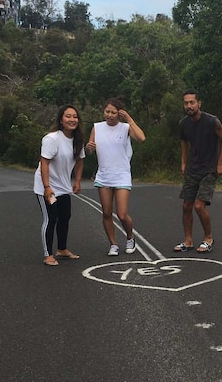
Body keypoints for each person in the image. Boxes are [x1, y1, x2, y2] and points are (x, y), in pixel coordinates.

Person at [86, 97, 146, 256]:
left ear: (119, 113)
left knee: (122, 214)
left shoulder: (125, 127)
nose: (110, 115)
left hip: (121, 175)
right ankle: (113, 244)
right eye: (107, 111)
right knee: (106, 212)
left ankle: (130, 237)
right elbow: (89, 150)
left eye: (113, 112)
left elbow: (141, 138)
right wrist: (88, 148)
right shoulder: (97, 127)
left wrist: (129, 119)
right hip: (104, 175)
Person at [174, 89, 222, 253]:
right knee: (186, 205)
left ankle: (208, 238)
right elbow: (184, 143)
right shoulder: (184, 124)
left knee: (199, 206)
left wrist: (220, 164)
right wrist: (183, 163)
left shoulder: (212, 121)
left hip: (209, 169)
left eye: (192, 102)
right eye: (186, 103)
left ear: (199, 103)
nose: (189, 106)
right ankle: (188, 240)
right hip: (193, 168)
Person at [33, 105, 85, 266]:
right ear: (61, 120)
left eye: (75, 116)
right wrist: (47, 187)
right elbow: (44, 162)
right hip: (47, 187)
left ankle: (62, 249)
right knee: (51, 219)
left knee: (65, 217)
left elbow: (80, 160)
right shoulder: (52, 138)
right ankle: (47, 254)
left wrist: (77, 181)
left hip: (64, 187)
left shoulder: (77, 139)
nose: (72, 119)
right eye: (68, 116)